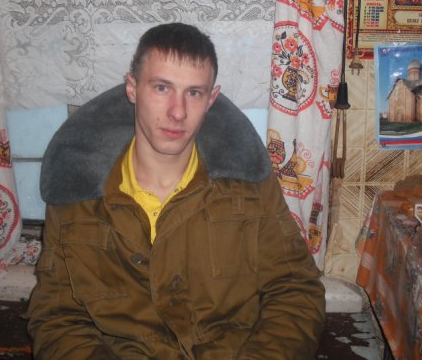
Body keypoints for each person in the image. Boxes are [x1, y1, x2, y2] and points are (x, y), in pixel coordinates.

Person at [27, 23, 326, 359]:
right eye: (162, 88)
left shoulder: (250, 189)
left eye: (194, 93)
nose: (178, 112)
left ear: (211, 99)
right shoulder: (76, 196)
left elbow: (295, 292)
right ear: (132, 89)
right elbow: (57, 318)